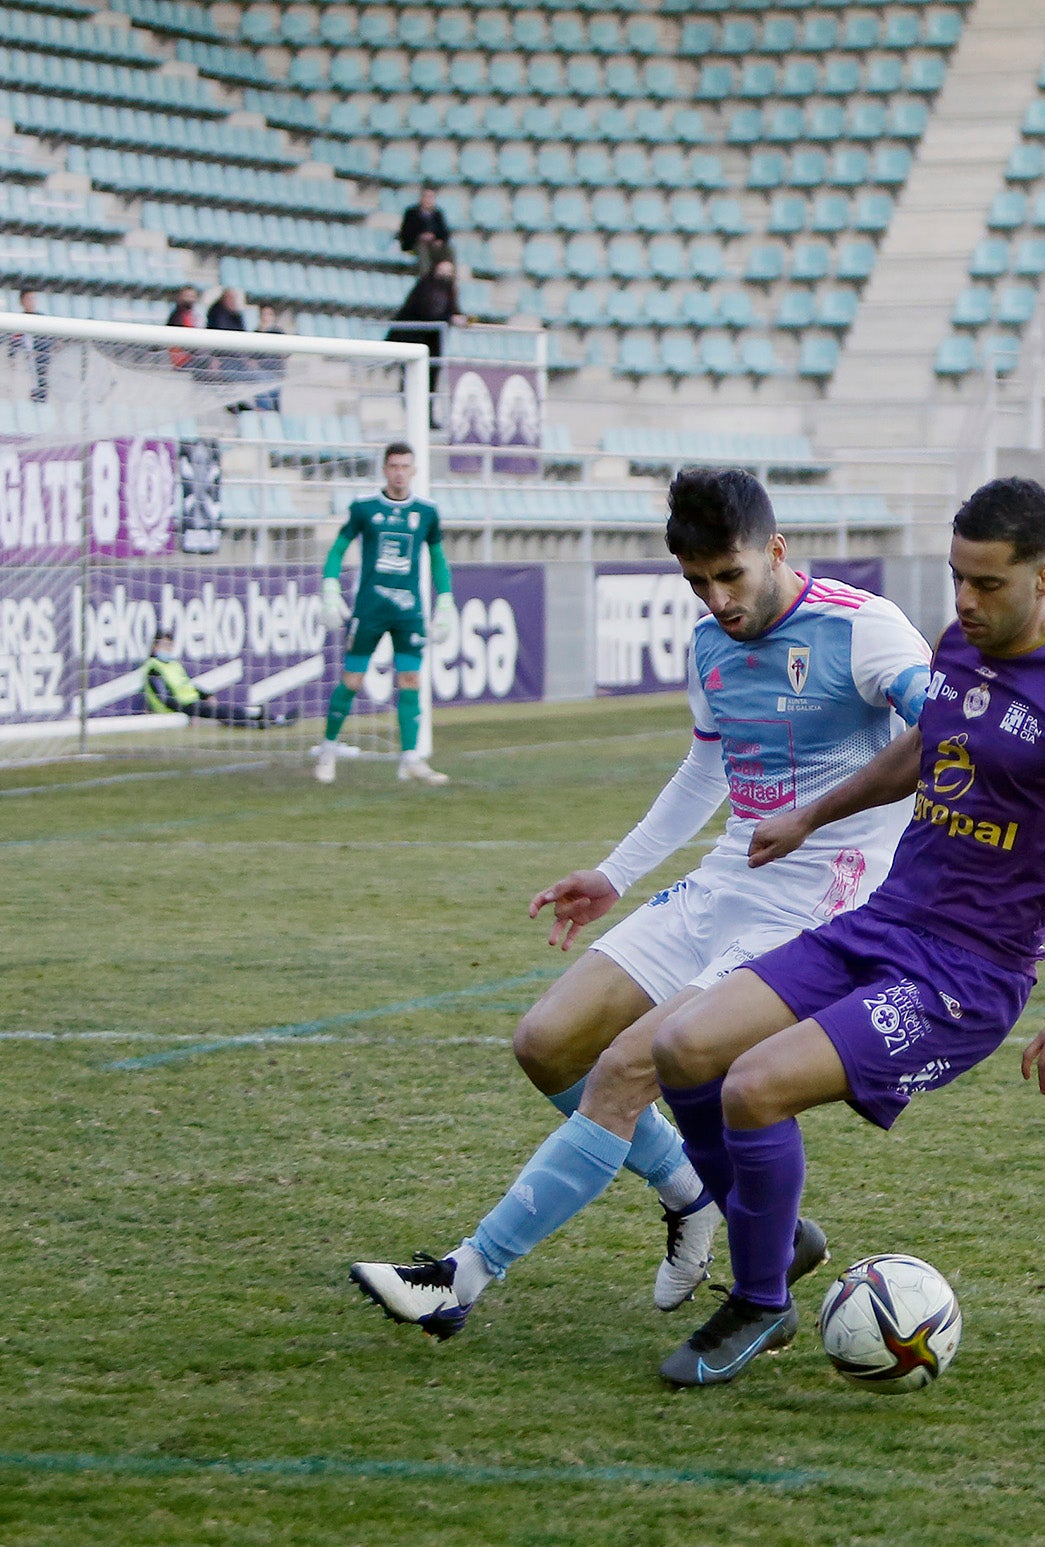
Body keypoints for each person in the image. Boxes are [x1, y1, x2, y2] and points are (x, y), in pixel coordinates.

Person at [347, 467, 934, 1339]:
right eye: (698, 581)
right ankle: (694, 1196)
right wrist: (615, 873)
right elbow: (707, 766)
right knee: (546, 1044)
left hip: (821, 895)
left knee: (628, 1067)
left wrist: (817, 817)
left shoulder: (865, 629)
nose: (718, 597)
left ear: (777, 549)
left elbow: (948, 736)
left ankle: (458, 1277)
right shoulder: (709, 643)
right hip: (730, 877)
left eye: (731, 574)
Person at [645, 477, 1045, 1386]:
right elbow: (921, 748)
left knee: (754, 1088)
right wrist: (814, 815)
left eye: (989, 583)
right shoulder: (960, 648)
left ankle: (762, 1300)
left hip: (964, 977)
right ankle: (768, 1229)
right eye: (956, 578)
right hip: (884, 922)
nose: (966, 600)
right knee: (683, 1046)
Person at [315, 442, 456, 785]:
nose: (399, 473)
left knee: (411, 681)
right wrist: (330, 588)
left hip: (408, 610)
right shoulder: (365, 508)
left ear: (414, 470)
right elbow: (337, 550)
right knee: (352, 679)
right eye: (393, 466)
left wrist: (446, 601)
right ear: (384, 469)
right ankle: (328, 749)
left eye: (405, 466)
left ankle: (409, 758)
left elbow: (437, 559)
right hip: (370, 608)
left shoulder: (426, 512)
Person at [142, 630, 296, 727]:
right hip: (182, 707)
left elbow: (187, 685)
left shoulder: (173, 664)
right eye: (164, 645)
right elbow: (164, 698)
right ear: (155, 647)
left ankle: (271, 719)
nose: (167, 649)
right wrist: (187, 712)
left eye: (170, 645)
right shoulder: (154, 667)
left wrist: (206, 695)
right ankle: (266, 722)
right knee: (223, 712)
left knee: (225, 709)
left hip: (192, 702)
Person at [387, 259, 464, 427]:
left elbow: (450, 310)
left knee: (429, 382)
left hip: (432, 343)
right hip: (414, 340)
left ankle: (426, 417)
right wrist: (450, 319)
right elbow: (428, 312)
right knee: (413, 381)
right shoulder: (428, 288)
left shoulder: (447, 290)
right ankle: (416, 417)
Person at [397, 184, 452, 275]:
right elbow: (405, 232)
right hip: (414, 244)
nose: (428, 199)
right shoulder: (411, 213)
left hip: (433, 244)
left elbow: (444, 232)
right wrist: (420, 236)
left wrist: (438, 240)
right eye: (426, 196)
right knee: (423, 249)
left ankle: (449, 277)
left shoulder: (438, 214)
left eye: (430, 197)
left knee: (449, 250)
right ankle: (425, 277)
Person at [9, 288, 51, 403]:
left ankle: (41, 399)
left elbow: (49, 339)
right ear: (22, 301)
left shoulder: (42, 319)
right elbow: (15, 339)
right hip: (28, 358)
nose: (32, 302)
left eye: (34, 298)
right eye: (29, 299)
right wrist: (12, 356)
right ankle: (34, 399)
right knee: (31, 380)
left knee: (42, 379)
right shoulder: (19, 320)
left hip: (42, 358)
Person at [253, 304, 287, 413]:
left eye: (269, 314)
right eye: (264, 314)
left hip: (276, 373)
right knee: (263, 401)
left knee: (275, 402)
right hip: (261, 373)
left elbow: (285, 352)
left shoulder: (278, 333)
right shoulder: (256, 333)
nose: (266, 317)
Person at [165, 285, 200, 372]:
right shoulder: (177, 317)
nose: (189, 299)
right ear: (180, 297)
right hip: (183, 358)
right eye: (187, 296)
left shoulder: (193, 315)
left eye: (192, 296)